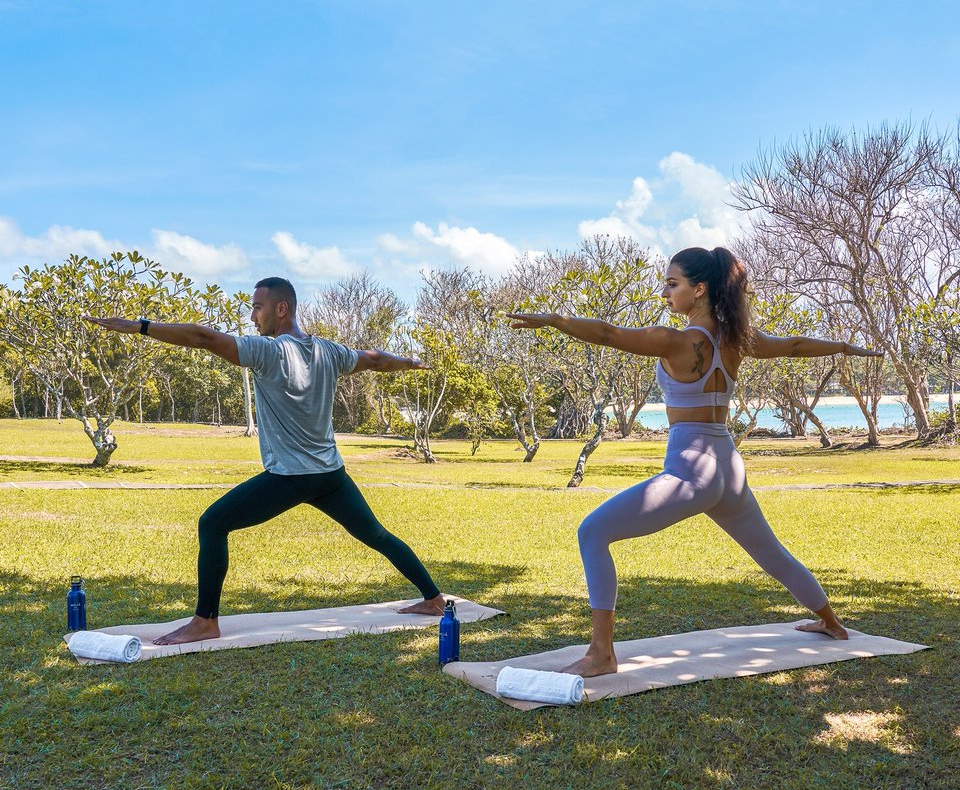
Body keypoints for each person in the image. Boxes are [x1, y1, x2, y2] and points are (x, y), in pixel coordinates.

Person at [508, 246, 882, 677]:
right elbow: (794, 345)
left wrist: (556, 321)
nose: (665, 293)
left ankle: (601, 654)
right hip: (727, 465)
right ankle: (832, 623)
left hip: (692, 469)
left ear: (699, 289)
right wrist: (844, 347)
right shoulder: (737, 341)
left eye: (673, 284)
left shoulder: (678, 341)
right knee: (770, 552)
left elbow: (610, 334)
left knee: (592, 532)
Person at [85, 276, 445, 645]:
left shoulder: (268, 352)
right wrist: (410, 362)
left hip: (291, 477)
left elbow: (203, 337)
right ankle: (433, 600)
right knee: (376, 535)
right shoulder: (330, 351)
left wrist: (140, 327)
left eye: (257, 307)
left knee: (212, 524)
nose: (253, 317)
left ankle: (205, 621)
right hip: (330, 475)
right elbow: (374, 359)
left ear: (281, 308)